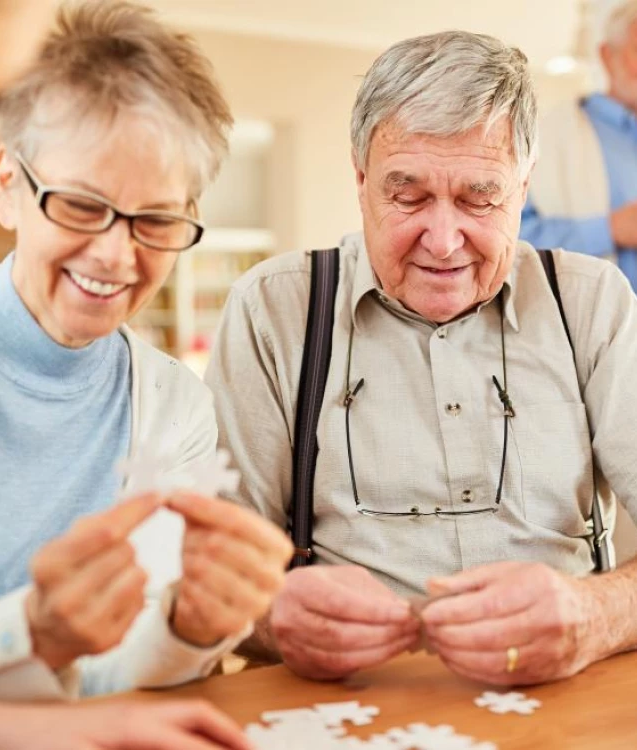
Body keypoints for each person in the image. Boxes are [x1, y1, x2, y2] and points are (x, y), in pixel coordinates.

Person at [0, 0, 277, 747]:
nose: (114, 256)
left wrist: (190, 628)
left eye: (156, 220)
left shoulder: (176, 405)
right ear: (7, 184)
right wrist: (34, 635)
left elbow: (117, 686)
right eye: (79, 205)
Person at [206, 29, 637, 689]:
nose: (443, 240)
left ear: (523, 188)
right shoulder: (273, 310)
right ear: (360, 182)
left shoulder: (592, 303)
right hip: (340, 712)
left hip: (565, 703)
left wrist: (596, 612)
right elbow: (216, 577)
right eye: (407, 196)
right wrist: (268, 613)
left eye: (479, 197)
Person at [520, 0, 637, 291]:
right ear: (608, 56)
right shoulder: (547, 134)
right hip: (595, 325)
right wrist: (610, 230)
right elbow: (514, 238)